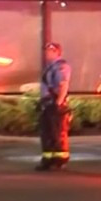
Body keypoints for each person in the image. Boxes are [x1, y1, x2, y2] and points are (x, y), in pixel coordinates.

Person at [36, 42, 73, 171]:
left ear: (57, 52)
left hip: (54, 104)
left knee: (56, 133)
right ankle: (48, 159)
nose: (47, 53)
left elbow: (63, 85)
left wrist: (58, 104)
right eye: (46, 51)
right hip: (48, 104)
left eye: (50, 51)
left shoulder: (60, 67)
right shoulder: (50, 67)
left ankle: (59, 160)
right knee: (47, 133)